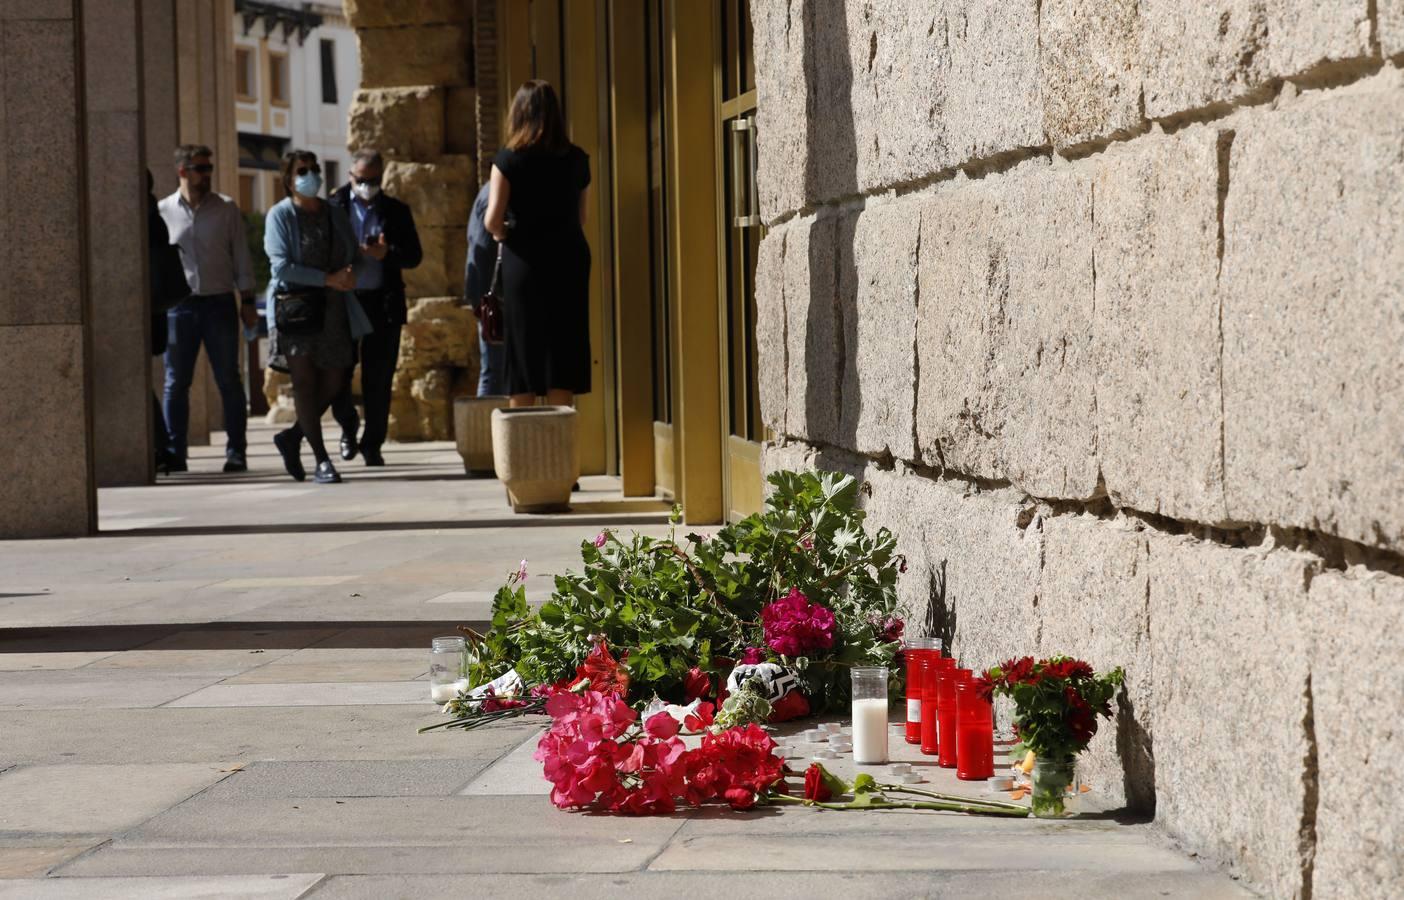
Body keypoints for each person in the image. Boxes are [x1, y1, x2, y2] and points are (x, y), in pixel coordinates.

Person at [263, 150, 371, 484]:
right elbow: (280, 266)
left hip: (335, 308)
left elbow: (355, 254)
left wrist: (352, 272)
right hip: (296, 311)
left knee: (336, 379)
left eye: (314, 169)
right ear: (288, 178)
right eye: (302, 170)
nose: (310, 175)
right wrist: (327, 279)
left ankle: (293, 436)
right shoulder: (280, 215)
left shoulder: (335, 213)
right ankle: (321, 459)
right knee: (305, 383)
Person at [484, 80, 592, 408]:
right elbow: (581, 217)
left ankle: (524, 446)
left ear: (518, 114)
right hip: (569, 258)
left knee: (523, 350)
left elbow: (492, 219)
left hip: (525, 261)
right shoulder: (577, 159)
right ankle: (557, 444)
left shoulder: (508, 160)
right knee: (563, 349)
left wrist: (504, 234)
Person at [158, 145, 258, 472]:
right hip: (179, 308)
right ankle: (176, 452)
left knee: (229, 379)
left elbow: (241, 257)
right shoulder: (163, 211)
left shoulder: (226, 209)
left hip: (219, 303)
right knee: (176, 383)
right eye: (200, 168)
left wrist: (247, 302)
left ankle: (236, 451)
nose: (207, 174)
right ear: (182, 171)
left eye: (209, 167)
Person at [327, 148, 422, 466]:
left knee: (379, 378)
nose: (367, 185)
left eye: (373, 179)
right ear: (350, 175)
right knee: (338, 374)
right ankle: (347, 426)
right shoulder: (333, 207)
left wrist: (387, 253)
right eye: (361, 179)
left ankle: (372, 444)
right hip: (344, 301)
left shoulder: (396, 210)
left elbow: (414, 255)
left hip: (383, 302)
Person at [147, 169, 191, 475]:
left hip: (148, 311)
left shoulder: (146, 216)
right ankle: (162, 446)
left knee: (143, 381)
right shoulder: (155, 211)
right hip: (157, 311)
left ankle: (162, 446)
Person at [464, 180, 507, 396]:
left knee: (495, 368)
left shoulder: (491, 190)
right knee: (494, 369)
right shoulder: (496, 193)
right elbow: (482, 251)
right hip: (493, 296)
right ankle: (486, 429)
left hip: (488, 293)